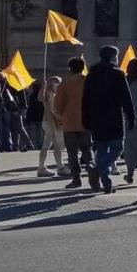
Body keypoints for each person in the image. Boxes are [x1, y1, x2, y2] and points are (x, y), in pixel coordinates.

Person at [81, 46, 136, 194]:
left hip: (96, 117)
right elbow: (126, 98)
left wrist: (85, 118)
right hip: (114, 117)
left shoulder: (91, 74)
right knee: (117, 148)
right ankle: (98, 170)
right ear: (113, 57)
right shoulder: (118, 73)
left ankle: (106, 183)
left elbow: (85, 99)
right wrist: (131, 117)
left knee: (101, 149)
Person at [55, 56, 92, 188]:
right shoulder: (88, 81)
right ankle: (93, 176)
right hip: (86, 121)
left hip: (69, 122)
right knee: (87, 150)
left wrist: (59, 117)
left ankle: (76, 179)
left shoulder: (65, 83)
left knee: (72, 153)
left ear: (70, 68)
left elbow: (58, 103)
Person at [36, 77, 67, 177]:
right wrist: (43, 87)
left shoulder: (55, 94)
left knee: (48, 145)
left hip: (53, 123)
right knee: (54, 145)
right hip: (50, 122)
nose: (57, 85)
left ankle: (43, 167)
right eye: (56, 83)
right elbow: (40, 98)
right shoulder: (48, 93)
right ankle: (59, 167)